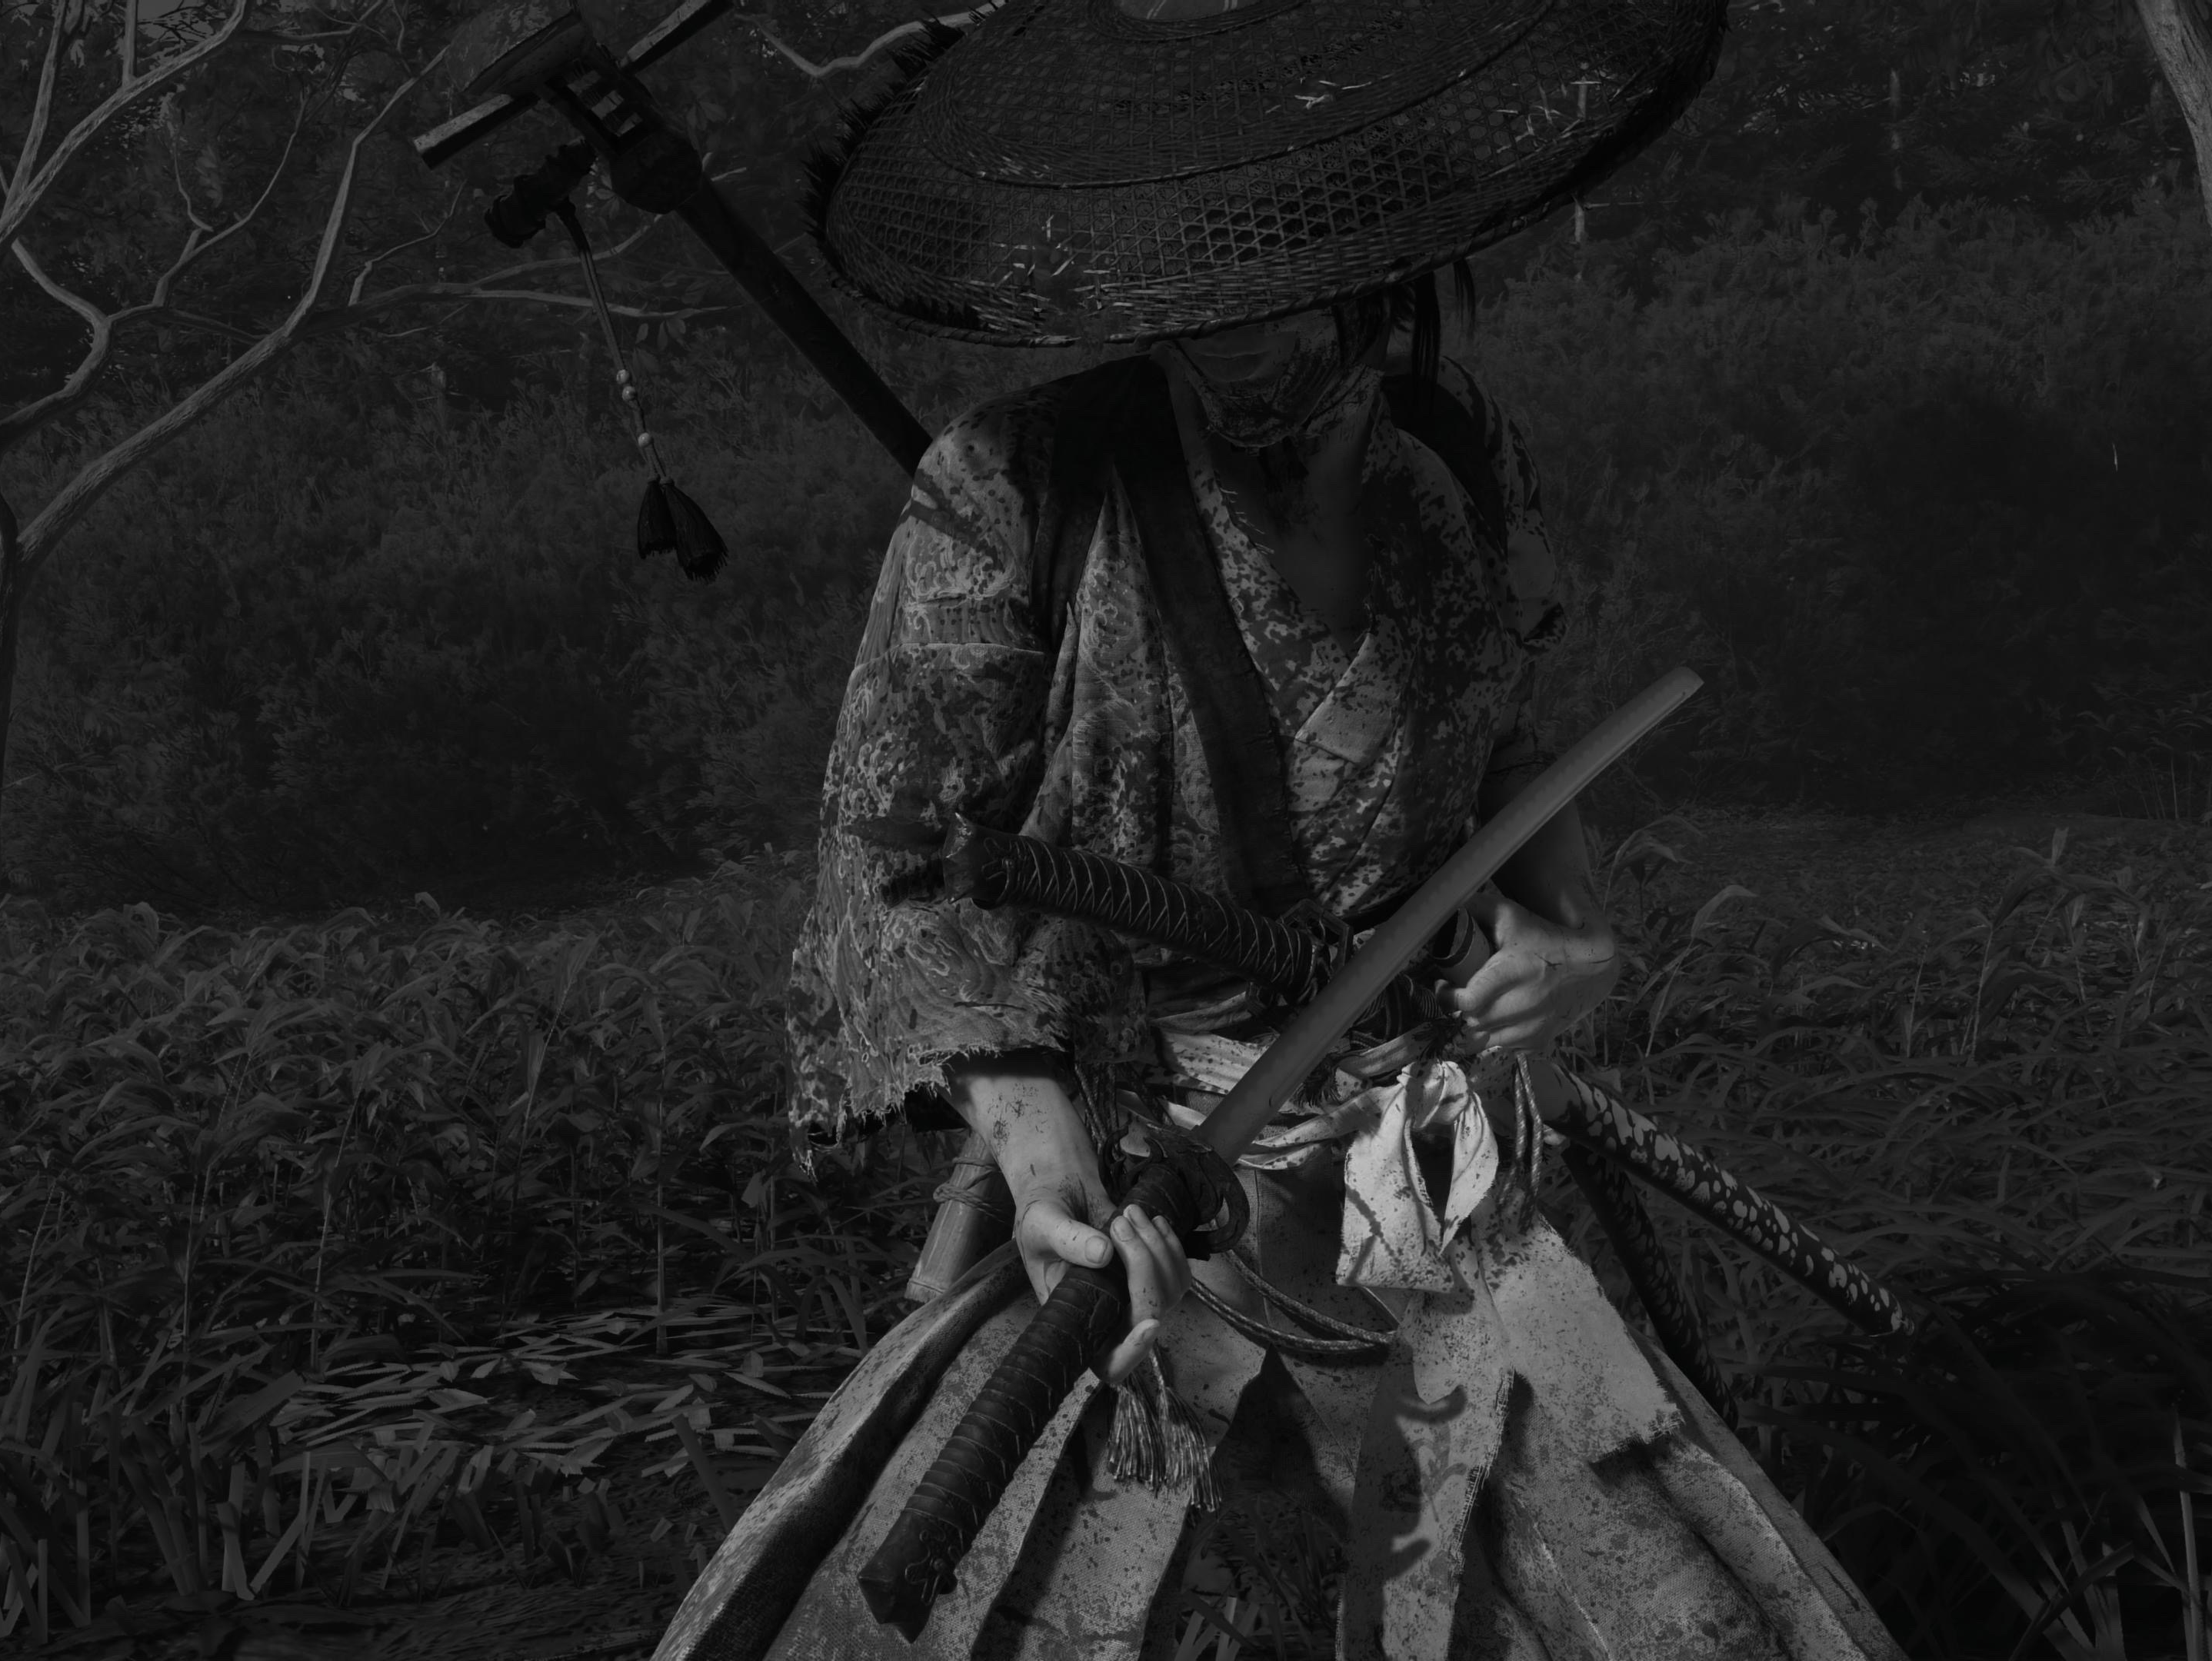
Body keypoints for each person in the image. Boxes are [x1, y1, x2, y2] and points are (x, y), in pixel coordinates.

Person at [713, 0, 1913, 1653]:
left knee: (1604, 1583)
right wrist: (1051, 1176)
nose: (1232, 325)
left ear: (1370, 239)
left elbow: (1510, 755)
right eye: (1190, 276)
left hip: (1418, 1165)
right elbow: (902, 862)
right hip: (1150, 1174)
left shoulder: (1452, 463)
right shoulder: (1016, 484)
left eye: (1268, 264)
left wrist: (1570, 940)